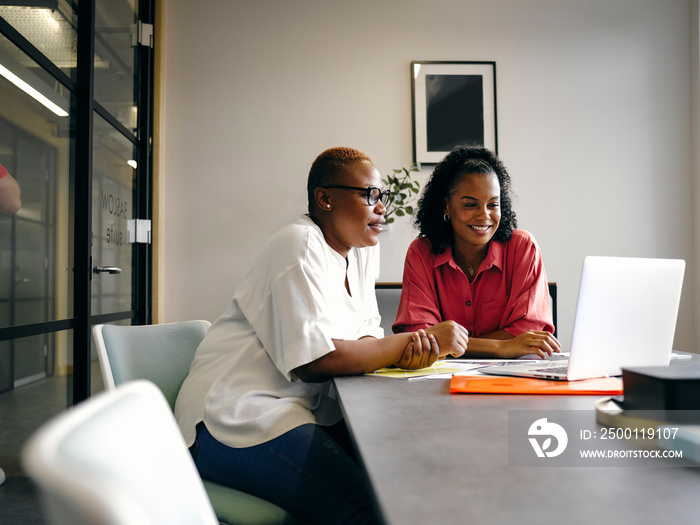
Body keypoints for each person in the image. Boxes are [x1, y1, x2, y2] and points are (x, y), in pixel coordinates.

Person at [175, 147, 468, 525]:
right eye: (369, 195)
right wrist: (409, 342)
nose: (381, 207)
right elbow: (315, 361)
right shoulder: (297, 246)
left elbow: (365, 342)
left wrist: (402, 351)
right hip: (234, 417)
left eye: (383, 196)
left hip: (296, 409)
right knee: (364, 507)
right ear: (325, 198)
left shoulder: (361, 253)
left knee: (404, 471)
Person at [393, 145, 560, 359]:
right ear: (446, 206)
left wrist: (453, 344)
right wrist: (501, 346)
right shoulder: (422, 253)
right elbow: (421, 339)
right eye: (470, 205)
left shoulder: (523, 248)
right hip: (439, 380)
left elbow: (530, 335)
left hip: (513, 378)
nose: (484, 216)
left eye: (493, 205)